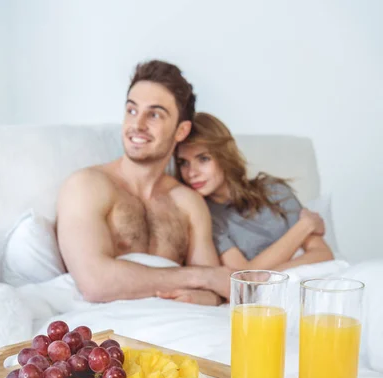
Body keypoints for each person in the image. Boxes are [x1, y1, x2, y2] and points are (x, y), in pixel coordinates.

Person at [57, 62, 230, 306]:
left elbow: (215, 290)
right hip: (111, 330)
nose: (137, 125)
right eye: (132, 110)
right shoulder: (87, 186)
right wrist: (197, 277)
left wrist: (200, 293)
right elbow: (95, 283)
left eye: (155, 114)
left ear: (181, 131)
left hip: (182, 324)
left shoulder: (188, 202)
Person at [174, 112, 334, 274]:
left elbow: (323, 254)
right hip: (263, 291)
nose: (191, 173)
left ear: (223, 155)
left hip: (304, 280)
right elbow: (243, 274)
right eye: (183, 163)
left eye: (203, 159)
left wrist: (265, 277)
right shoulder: (206, 216)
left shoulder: (274, 191)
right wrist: (305, 226)